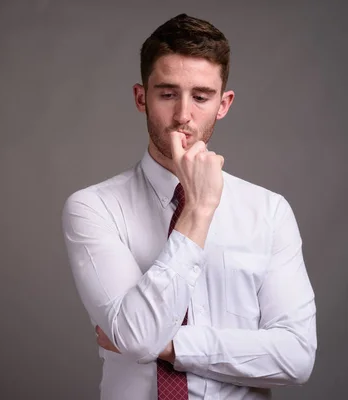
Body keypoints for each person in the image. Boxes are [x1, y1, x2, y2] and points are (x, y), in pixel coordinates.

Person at [61, 13, 317, 400]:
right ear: (140, 97)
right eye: (167, 94)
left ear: (223, 104)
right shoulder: (94, 207)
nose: (183, 115)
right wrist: (198, 210)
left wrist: (165, 345)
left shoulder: (269, 211)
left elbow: (296, 358)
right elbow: (138, 337)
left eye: (201, 97)